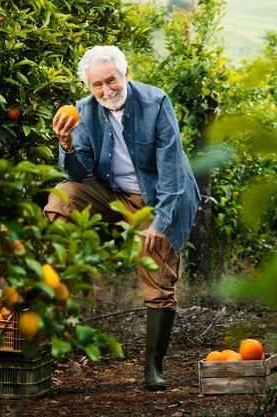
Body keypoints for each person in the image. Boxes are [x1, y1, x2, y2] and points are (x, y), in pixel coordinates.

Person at [44, 45, 200, 391]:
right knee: (62, 196)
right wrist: (67, 145)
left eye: (110, 80)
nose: (105, 90)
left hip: (156, 198)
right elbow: (78, 174)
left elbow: (172, 171)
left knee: (155, 265)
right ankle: (64, 275)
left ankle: (152, 368)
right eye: (96, 85)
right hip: (110, 193)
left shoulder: (155, 102)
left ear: (125, 74)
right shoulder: (84, 112)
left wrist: (160, 222)